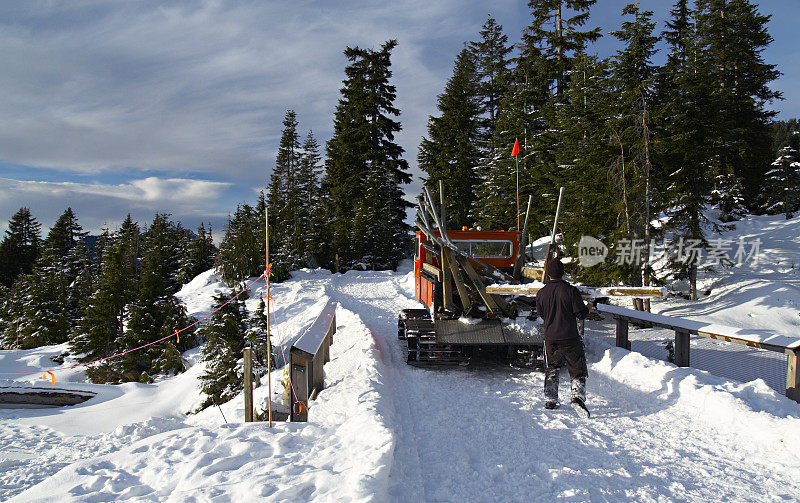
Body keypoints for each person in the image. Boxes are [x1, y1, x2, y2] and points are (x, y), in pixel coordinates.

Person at [535, 258, 593, 415]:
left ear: (548, 274)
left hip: (550, 338)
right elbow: (580, 314)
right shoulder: (570, 290)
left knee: (551, 368)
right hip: (570, 337)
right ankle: (577, 398)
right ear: (563, 273)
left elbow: (541, 313)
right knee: (577, 368)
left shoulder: (541, 293)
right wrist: (589, 307)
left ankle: (550, 400)